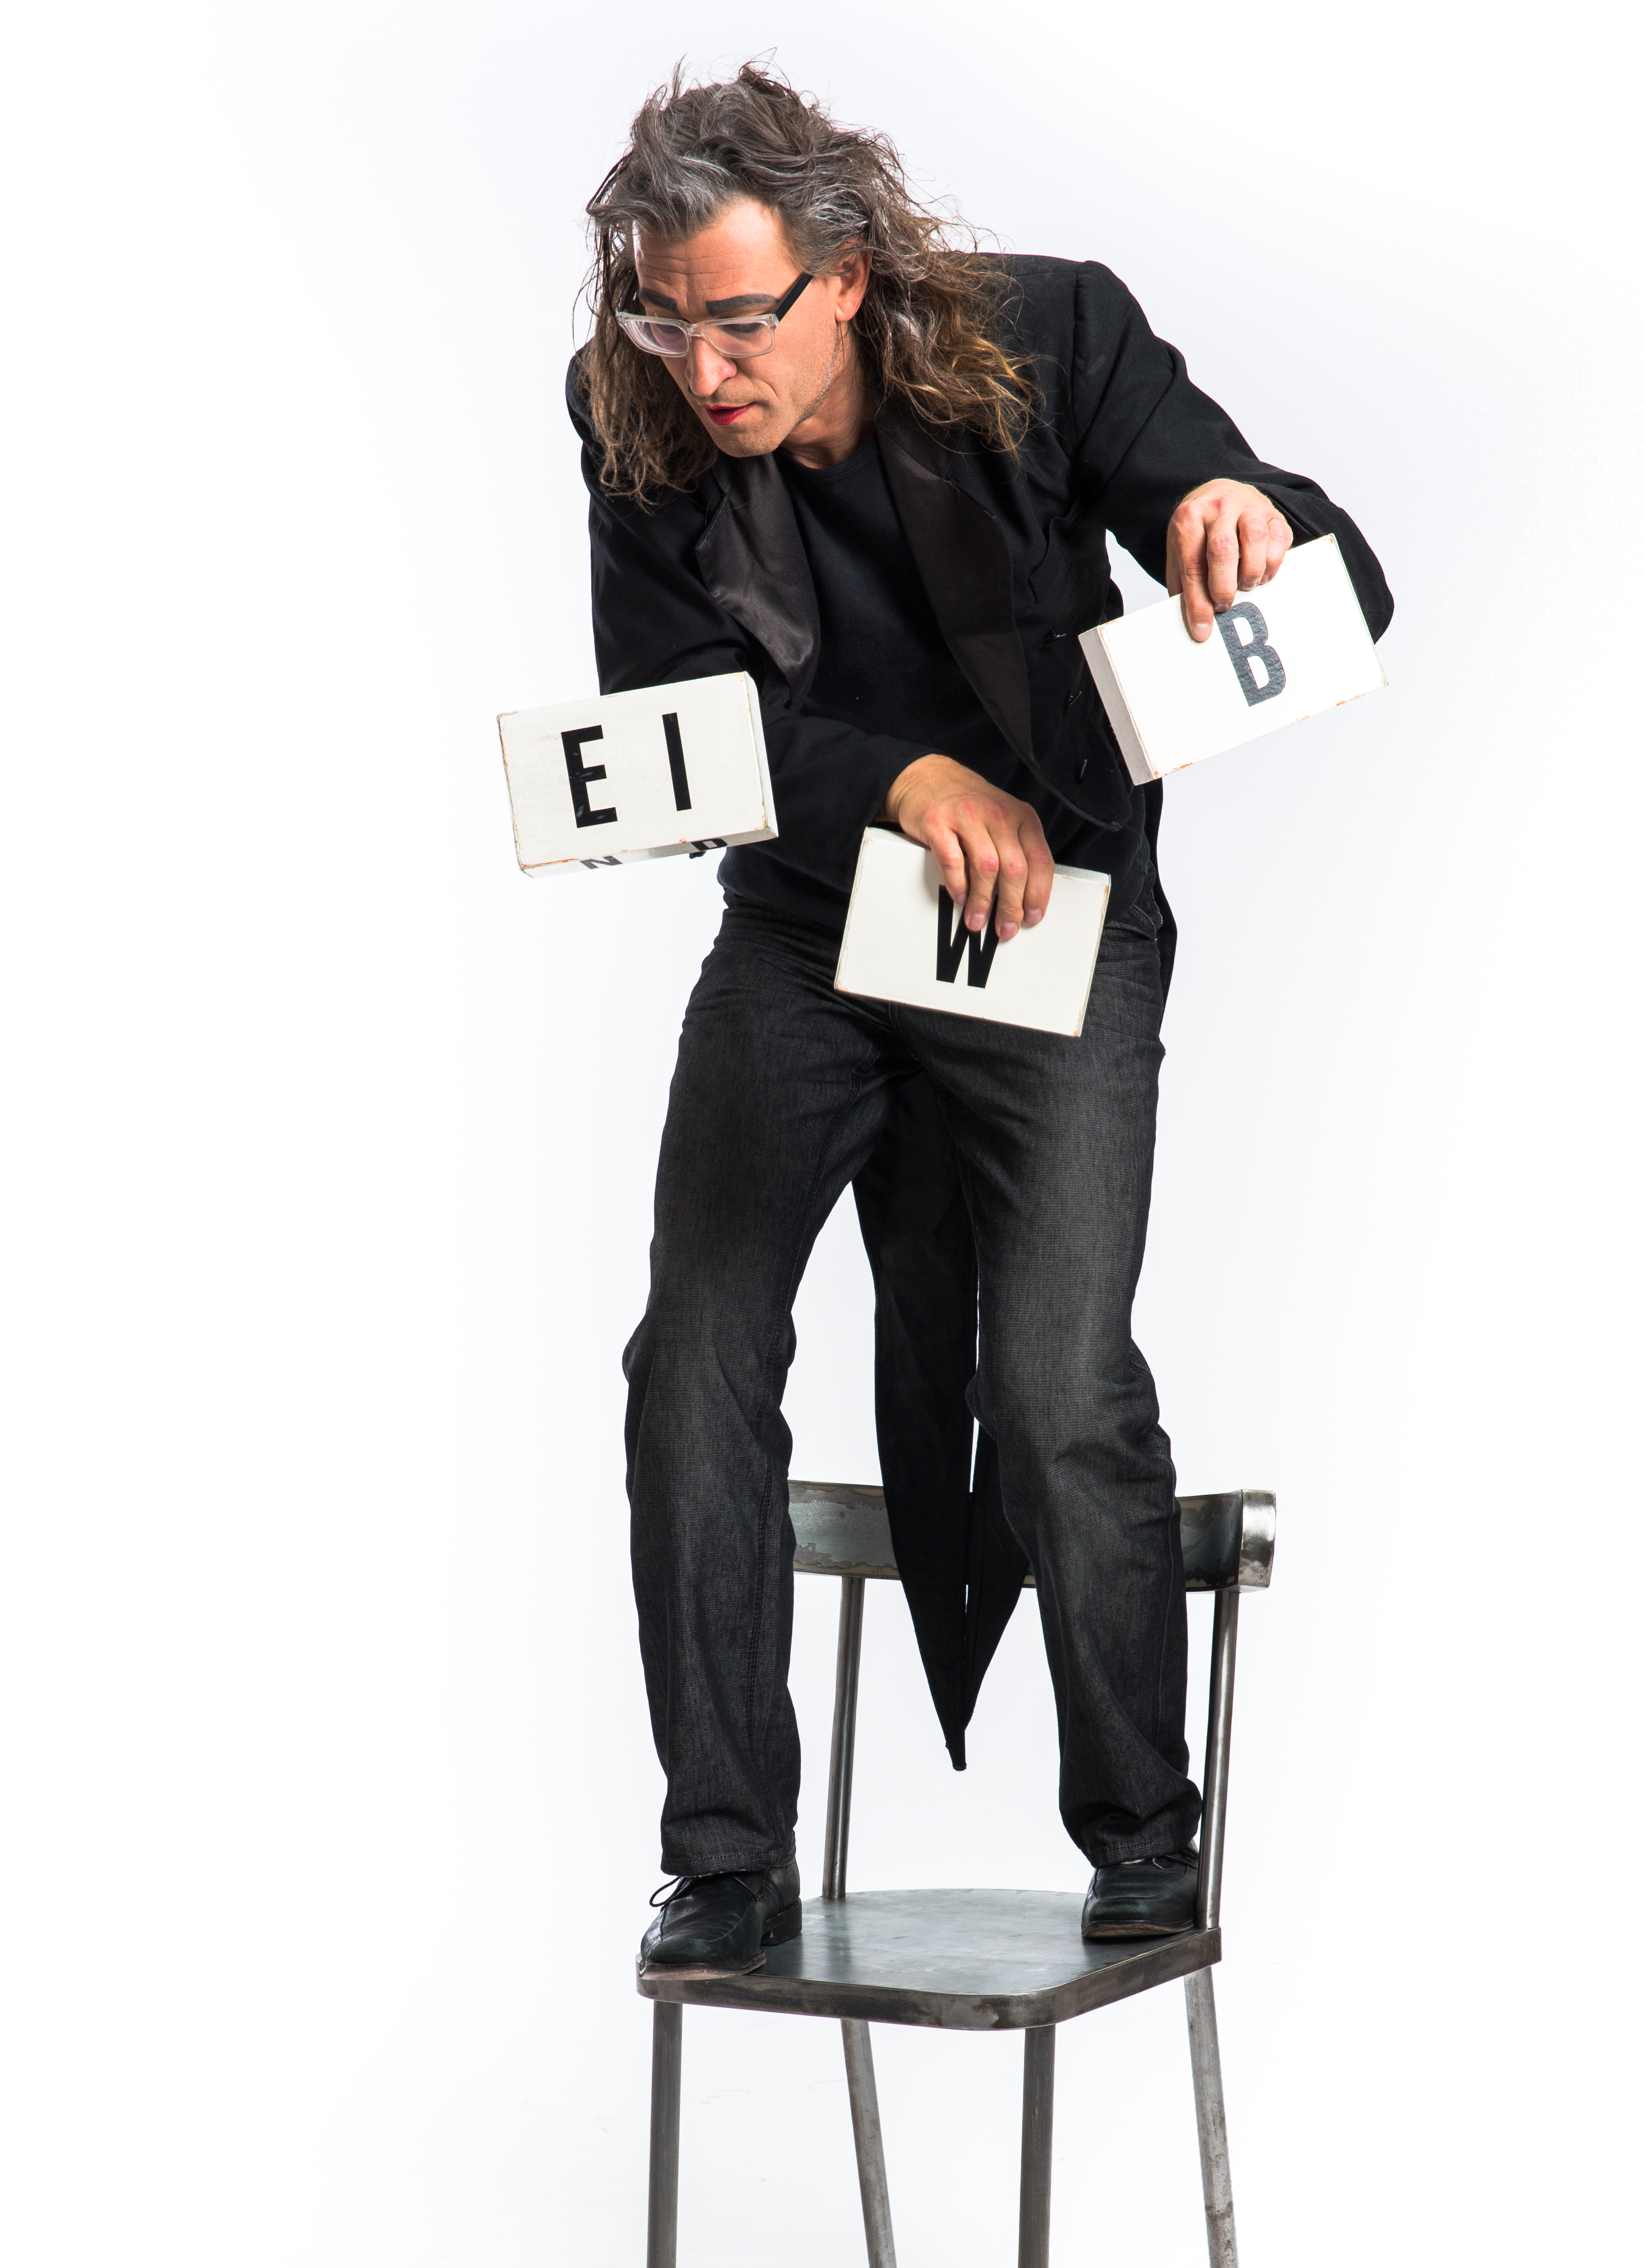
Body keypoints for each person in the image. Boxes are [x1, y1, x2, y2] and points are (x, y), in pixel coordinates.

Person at [567, 66, 1391, 1976]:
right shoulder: (629, 409)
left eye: (737, 318)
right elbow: (674, 712)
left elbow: (1283, 538)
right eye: (665, 320)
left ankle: (1142, 1836)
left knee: (1053, 1380)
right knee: (689, 1355)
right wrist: (904, 778)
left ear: (846, 271)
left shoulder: (1047, 332)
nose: (702, 367)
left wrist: (1235, 513)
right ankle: (725, 1856)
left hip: (1061, 915)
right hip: (805, 927)